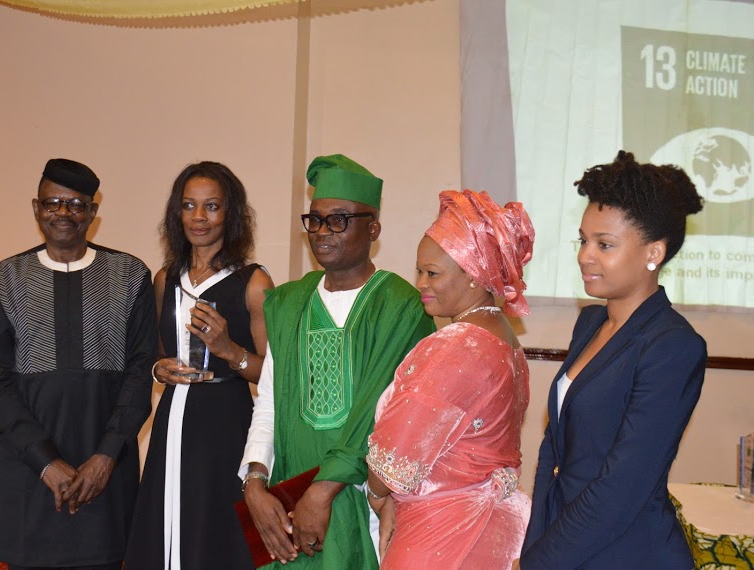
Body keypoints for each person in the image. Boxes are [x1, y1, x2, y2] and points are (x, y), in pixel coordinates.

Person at [239, 154, 436, 569]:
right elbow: (270, 401)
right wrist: (255, 482)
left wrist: (322, 491)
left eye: (340, 220)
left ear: (374, 228)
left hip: (364, 504)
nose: (323, 232)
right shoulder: (288, 304)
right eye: (315, 220)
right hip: (289, 502)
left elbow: (386, 418)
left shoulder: (402, 306)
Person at [518, 151, 708, 569]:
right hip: (565, 543)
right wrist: (535, 542)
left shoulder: (673, 346)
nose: (586, 255)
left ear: (653, 252)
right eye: (583, 240)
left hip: (629, 551)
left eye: (604, 244)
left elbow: (623, 488)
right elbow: (555, 447)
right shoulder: (589, 323)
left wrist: (540, 562)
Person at [0, 158, 157, 569]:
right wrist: (45, 463)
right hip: (27, 472)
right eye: (52, 202)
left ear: (93, 213)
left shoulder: (130, 275)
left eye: (76, 205)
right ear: (35, 208)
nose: (63, 213)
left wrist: (106, 456)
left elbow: (141, 372)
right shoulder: (5, 279)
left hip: (106, 472)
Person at [365, 189, 535, 569]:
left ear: (474, 276)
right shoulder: (506, 339)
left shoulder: (455, 346)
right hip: (493, 531)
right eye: (419, 270)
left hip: (441, 535)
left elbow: (395, 456)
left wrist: (378, 496)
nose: (421, 283)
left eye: (433, 273)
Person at [125, 162, 274, 570]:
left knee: (215, 530)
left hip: (225, 419)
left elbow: (273, 376)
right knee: (165, 520)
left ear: (231, 214)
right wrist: (159, 371)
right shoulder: (165, 279)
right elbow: (154, 354)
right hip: (172, 416)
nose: (198, 217)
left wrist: (228, 350)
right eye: (189, 206)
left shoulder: (254, 283)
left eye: (211, 207)